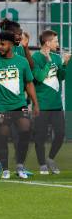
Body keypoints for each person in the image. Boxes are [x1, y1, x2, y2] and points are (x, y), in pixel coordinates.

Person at [0, 31, 39, 179]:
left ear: (11, 45)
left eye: (3, 44)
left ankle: (20, 165)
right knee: (2, 137)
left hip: (19, 104)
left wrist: (35, 104)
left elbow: (29, 83)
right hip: (0, 106)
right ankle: (5, 168)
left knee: (26, 130)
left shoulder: (22, 61)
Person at [32, 30, 69, 175]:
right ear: (47, 43)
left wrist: (64, 64)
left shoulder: (56, 57)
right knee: (40, 136)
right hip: (41, 104)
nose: (58, 44)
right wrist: (47, 61)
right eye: (56, 41)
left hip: (56, 105)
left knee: (60, 134)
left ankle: (50, 158)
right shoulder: (35, 58)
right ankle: (42, 164)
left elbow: (61, 77)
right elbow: (40, 77)